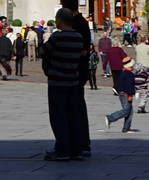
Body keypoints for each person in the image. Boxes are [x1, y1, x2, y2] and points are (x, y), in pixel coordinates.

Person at [41, 9, 89, 161]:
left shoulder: (57, 37)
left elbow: (43, 50)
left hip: (57, 81)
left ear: (60, 20)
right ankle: (76, 149)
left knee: (58, 116)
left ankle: (62, 149)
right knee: (73, 115)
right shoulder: (78, 37)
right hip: (73, 81)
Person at [100, 35, 135, 133]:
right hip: (125, 92)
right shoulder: (129, 74)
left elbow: (106, 59)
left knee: (130, 111)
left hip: (113, 67)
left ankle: (126, 128)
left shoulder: (110, 50)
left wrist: (104, 66)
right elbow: (129, 85)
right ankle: (110, 118)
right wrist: (130, 95)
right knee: (126, 110)